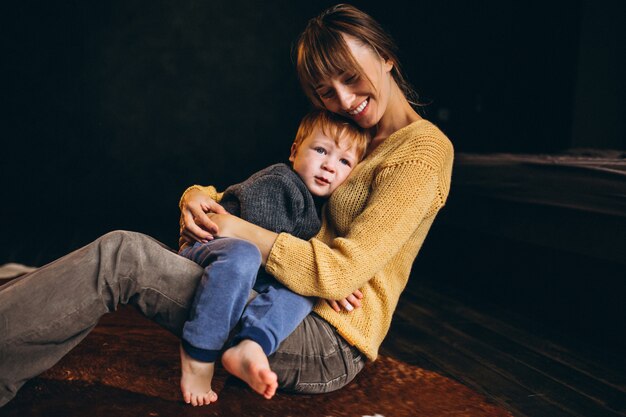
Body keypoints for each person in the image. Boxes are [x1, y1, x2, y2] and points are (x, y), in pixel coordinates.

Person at [0, 4, 453, 408]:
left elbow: (339, 272)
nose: (344, 99)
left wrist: (240, 231)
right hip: (278, 290)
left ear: (386, 55)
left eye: (351, 78)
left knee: (123, 257)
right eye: (325, 91)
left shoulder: (421, 154)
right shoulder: (349, 133)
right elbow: (278, 193)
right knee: (113, 257)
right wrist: (199, 197)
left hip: (325, 337)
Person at [178, 109, 368, 406]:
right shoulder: (280, 182)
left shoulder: (316, 206)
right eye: (321, 150)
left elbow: (287, 263)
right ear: (295, 152)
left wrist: (319, 283)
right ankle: (198, 357)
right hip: (211, 247)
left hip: (254, 270)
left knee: (302, 292)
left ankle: (252, 343)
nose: (330, 166)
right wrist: (316, 277)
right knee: (246, 255)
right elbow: (261, 242)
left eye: (344, 161)